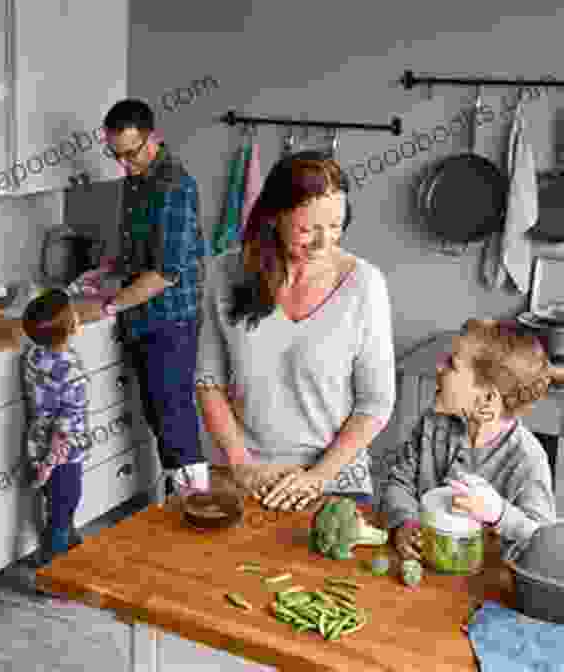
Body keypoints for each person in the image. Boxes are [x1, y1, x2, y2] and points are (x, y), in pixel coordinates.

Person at [195, 151, 396, 513]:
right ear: (274, 219)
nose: (324, 243)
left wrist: (317, 477)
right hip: (244, 475)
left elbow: (376, 403)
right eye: (308, 229)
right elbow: (209, 381)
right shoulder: (224, 274)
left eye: (336, 226)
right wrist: (242, 464)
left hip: (335, 481)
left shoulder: (365, 285)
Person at [83, 99, 211, 497]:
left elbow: (166, 272)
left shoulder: (173, 186)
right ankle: (181, 505)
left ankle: (196, 503)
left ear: (152, 137)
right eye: (115, 154)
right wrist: (106, 269)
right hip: (143, 316)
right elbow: (139, 251)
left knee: (173, 418)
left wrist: (108, 305)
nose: (123, 164)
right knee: (160, 416)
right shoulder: (137, 180)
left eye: (130, 153)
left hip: (169, 318)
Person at [384, 318, 562, 564]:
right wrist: (405, 522)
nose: (438, 368)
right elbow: (400, 483)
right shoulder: (432, 425)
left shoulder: (527, 459)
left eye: (451, 365)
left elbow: (544, 546)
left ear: (487, 400)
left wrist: (499, 513)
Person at [21, 289, 90, 566]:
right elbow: (65, 429)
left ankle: (69, 543)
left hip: (37, 441)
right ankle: (53, 569)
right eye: (73, 311)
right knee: (65, 506)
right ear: (71, 326)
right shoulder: (72, 373)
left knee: (57, 505)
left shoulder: (34, 356)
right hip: (63, 453)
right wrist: (52, 462)